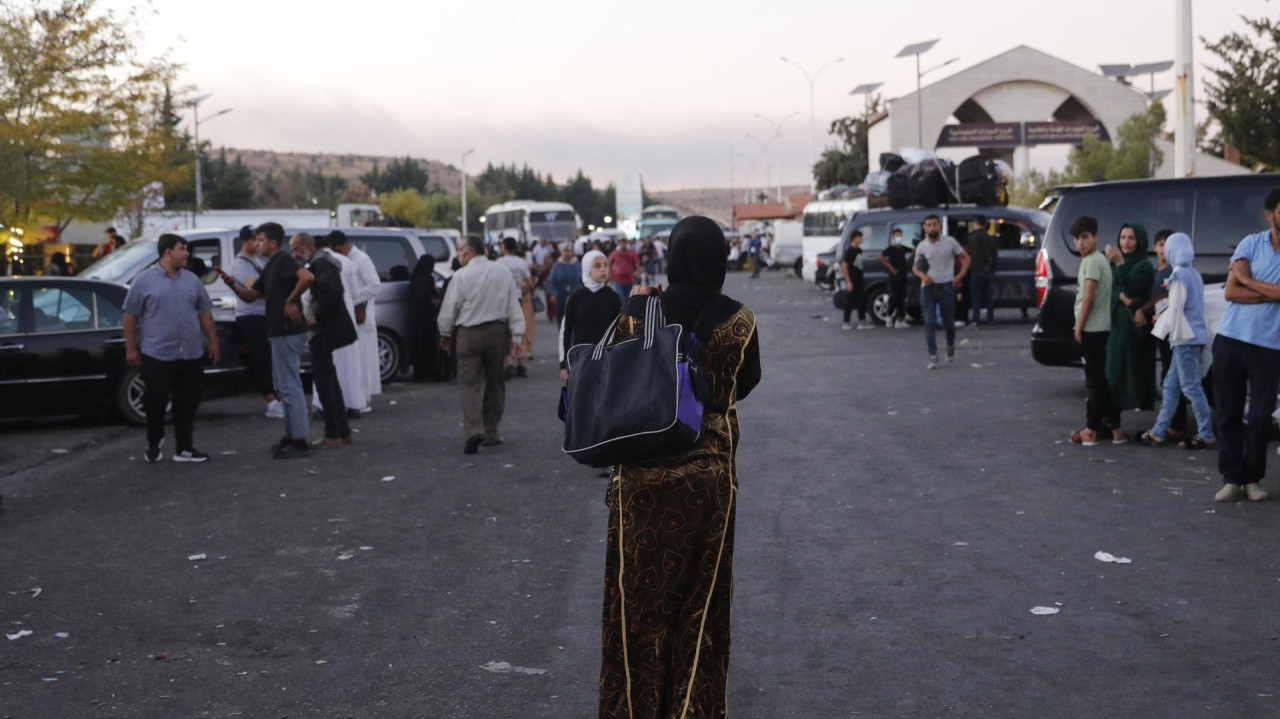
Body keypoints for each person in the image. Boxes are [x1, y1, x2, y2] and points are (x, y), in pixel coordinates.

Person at [599, 216, 761, 719]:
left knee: (637, 612)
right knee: (700, 610)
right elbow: (745, 384)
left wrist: (637, 306)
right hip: (709, 483)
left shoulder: (637, 314)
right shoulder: (740, 321)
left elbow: (608, 380)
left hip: (639, 483)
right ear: (718, 259)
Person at [122, 233, 219, 463]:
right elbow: (130, 315)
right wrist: (130, 348)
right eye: (182, 249)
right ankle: (154, 440)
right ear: (168, 252)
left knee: (188, 400)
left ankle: (184, 448)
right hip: (157, 354)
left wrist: (213, 341)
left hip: (190, 353)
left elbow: (204, 311)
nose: (187, 254)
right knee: (155, 400)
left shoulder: (192, 280)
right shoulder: (144, 280)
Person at [1211, 186, 1280, 502]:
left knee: (1261, 417)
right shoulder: (1250, 243)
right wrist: (1269, 291)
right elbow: (1229, 292)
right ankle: (1231, 478)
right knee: (1227, 412)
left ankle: (1253, 479)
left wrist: (1250, 280)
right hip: (1230, 339)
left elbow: (1243, 285)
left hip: (1269, 346)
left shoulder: (1249, 259)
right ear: (1270, 215)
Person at [437, 235, 525, 455]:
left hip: (468, 335)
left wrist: (445, 334)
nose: (458, 254)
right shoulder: (502, 272)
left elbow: (449, 310)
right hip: (497, 333)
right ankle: (491, 432)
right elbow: (512, 305)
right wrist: (517, 336)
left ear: (471, 252)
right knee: (496, 383)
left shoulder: (460, 276)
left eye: (460, 250)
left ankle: (473, 430)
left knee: (469, 385)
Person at [1140, 232, 1215, 449]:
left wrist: (1159, 319)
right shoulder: (1193, 274)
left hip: (1184, 338)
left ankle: (1206, 432)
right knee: (1171, 386)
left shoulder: (1178, 276)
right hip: (1194, 336)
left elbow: (1176, 309)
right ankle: (1159, 430)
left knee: (1190, 387)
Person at [291, 232, 357, 448]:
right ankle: (342, 430)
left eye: (298, 249)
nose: (295, 254)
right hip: (327, 329)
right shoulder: (324, 263)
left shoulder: (321, 264)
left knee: (324, 381)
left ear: (309, 246)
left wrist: (315, 318)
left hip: (322, 330)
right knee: (329, 379)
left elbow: (331, 294)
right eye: (293, 250)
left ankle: (333, 433)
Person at [257, 222, 315, 459]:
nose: (256, 244)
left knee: (290, 386)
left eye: (260, 239)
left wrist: (290, 301)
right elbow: (253, 294)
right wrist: (232, 282)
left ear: (273, 242)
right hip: (277, 331)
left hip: (288, 330)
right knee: (284, 386)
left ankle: (299, 439)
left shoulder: (282, 260)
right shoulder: (271, 266)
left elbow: (307, 277)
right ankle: (291, 435)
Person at [1068, 215, 1126, 446]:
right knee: (1100, 378)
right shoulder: (1100, 259)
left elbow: (1089, 296)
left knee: (1094, 381)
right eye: (1077, 238)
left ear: (1095, 237)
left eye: (1085, 237)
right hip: (1101, 328)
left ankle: (1091, 430)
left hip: (1092, 328)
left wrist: (1079, 327)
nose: (1080, 243)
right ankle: (1116, 429)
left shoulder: (1092, 261)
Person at [223, 225, 282, 418]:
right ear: (244, 242)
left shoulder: (259, 260)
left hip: (265, 314)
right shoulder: (240, 264)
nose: (257, 243)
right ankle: (271, 401)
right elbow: (255, 289)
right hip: (251, 315)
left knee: (270, 358)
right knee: (261, 358)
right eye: (253, 240)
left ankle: (276, 397)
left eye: (259, 239)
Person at [1139, 229, 1189, 441]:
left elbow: (1175, 300)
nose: (1163, 250)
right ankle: (1170, 424)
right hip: (1161, 330)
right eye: (1160, 245)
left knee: (1174, 377)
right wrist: (1143, 309)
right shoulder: (1156, 272)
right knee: (1168, 376)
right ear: (1155, 248)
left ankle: (1177, 425)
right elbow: (1157, 298)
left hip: (1173, 331)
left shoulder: (1174, 272)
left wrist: (1162, 314)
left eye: (1167, 245)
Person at [1103, 223, 1156, 415]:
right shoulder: (1111, 262)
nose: (1125, 242)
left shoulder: (1143, 265)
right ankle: (1110, 418)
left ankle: (1115, 415)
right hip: (1111, 321)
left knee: (1122, 369)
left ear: (1139, 241)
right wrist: (1120, 296)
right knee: (1109, 369)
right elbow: (1109, 289)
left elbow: (1131, 289)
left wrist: (1120, 264)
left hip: (1128, 325)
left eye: (1131, 238)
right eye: (1123, 237)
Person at [311, 233, 366, 419]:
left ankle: (324, 405)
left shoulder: (314, 263)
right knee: (350, 364)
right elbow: (356, 293)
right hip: (345, 315)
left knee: (326, 364)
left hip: (324, 317)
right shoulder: (347, 262)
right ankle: (353, 404)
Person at [331, 231, 382, 408]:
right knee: (355, 361)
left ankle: (364, 399)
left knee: (363, 360)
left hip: (361, 316)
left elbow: (375, 286)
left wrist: (352, 299)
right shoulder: (347, 259)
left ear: (345, 245)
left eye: (339, 250)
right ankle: (356, 398)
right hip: (351, 316)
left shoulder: (361, 259)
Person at [912, 214, 969, 368]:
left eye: (934, 224)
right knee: (929, 322)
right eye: (928, 225)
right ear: (925, 228)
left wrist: (960, 275)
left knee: (948, 322)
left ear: (939, 226)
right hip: (928, 288)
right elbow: (915, 267)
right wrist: (922, 276)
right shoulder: (922, 246)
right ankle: (932, 356)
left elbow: (965, 257)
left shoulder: (950, 242)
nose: (932, 228)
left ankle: (950, 346)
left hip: (946, 286)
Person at [558, 249, 621, 384]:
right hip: (582, 358)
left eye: (605, 265)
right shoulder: (576, 297)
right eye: (597, 266)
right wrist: (564, 364)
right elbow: (567, 332)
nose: (603, 270)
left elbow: (620, 331)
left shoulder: (613, 297)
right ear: (587, 269)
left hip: (607, 358)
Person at [497, 237, 535, 377]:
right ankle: (520, 363)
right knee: (519, 330)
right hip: (518, 298)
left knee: (506, 331)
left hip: (503, 300)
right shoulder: (522, 263)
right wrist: (522, 291)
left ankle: (509, 362)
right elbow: (530, 283)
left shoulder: (499, 263)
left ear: (504, 247)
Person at [408, 254, 443, 382]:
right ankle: (429, 373)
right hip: (427, 317)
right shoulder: (427, 278)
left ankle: (420, 373)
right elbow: (427, 296)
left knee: (418, 345)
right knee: (428, 345)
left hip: (415, 316)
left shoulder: (415, 277)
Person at [967, 217, 1000, 326]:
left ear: (976, 223)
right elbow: (995, 257)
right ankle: (990, 318)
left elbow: (974, 256)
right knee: (988, 297)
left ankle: (976, 320)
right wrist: (992, 270)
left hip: (977, 271)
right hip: (988, 271)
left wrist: (975, 268)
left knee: (976, 297)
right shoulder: (991, 239)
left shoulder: (973, 238)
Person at [545, 242, 582, 326]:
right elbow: (550, 281)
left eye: (569, 251)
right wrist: (552, 293)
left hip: (576, 297)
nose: (567, 253)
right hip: (560, 297)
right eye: (565, 251)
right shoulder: (557, 266)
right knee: (562, 323)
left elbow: (583, 280)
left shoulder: (578, 265)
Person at [879, 228, 910, 328]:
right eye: (897, 236)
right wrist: (891, 268)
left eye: (900, 235)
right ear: (893, 237)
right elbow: (880, 257)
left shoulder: (902, 248)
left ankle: (899, 319)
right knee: (894, 296)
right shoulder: (890, 249)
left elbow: (914, 250)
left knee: (902, 297)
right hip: (894, 276)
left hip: (903, 275)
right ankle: (889, 315)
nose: (899, 238)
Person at [841, 230, 871, 330]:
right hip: (852, 280)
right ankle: (846, 321)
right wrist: (848, 282)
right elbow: (844, 266)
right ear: (854, 238)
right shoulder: (849, 252)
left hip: (860, 280)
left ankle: (861, 321)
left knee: (861, 301)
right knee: (849, 301)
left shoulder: (859, 251)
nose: (861, 239)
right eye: (859, 237)